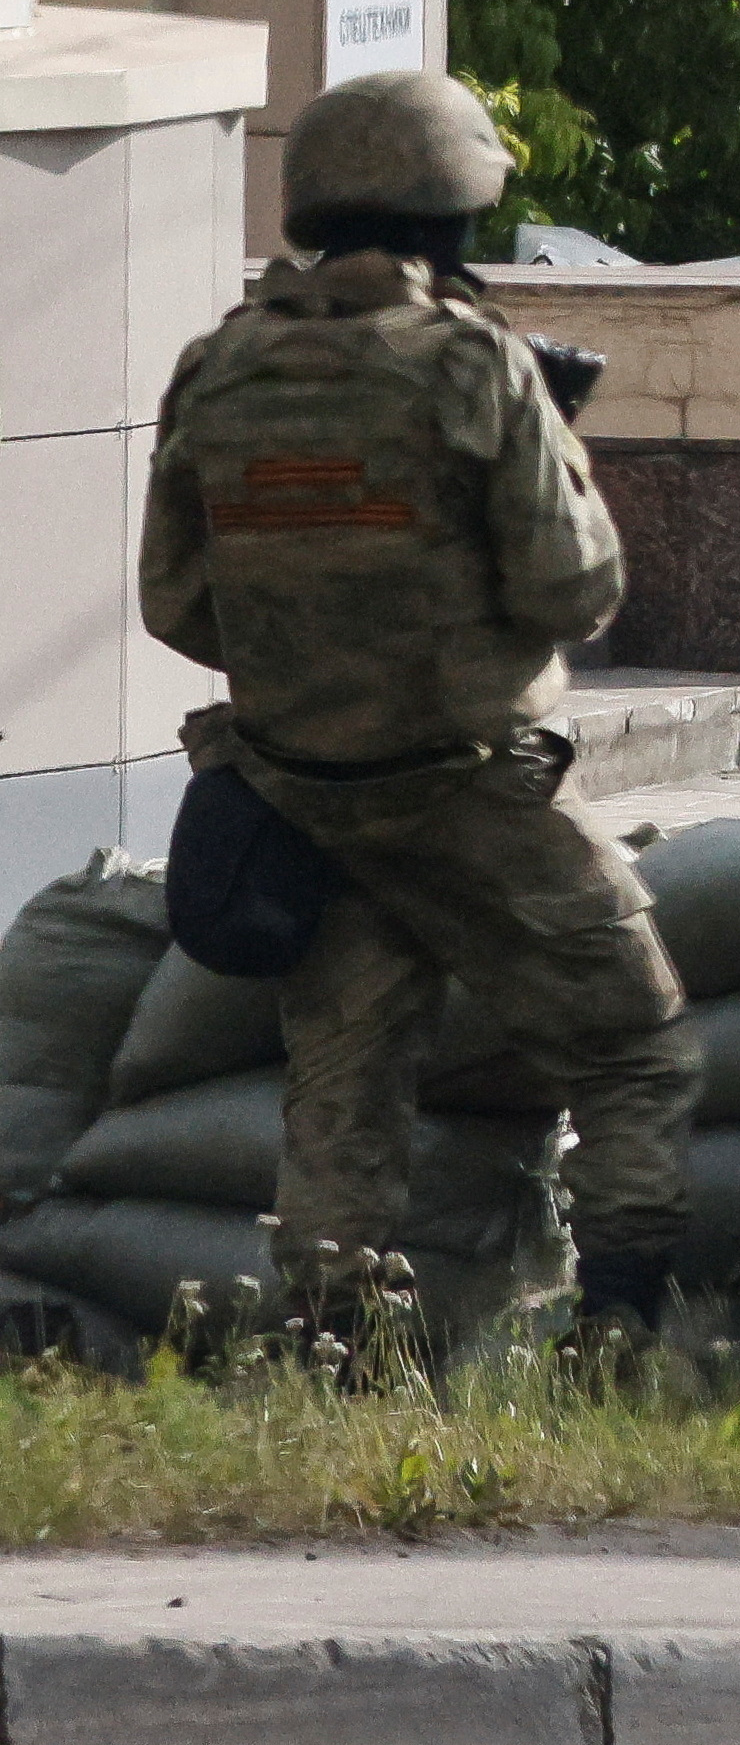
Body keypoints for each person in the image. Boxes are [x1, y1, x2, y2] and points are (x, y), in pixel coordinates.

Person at [139, 71, 700, 1330]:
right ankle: (614, 1329)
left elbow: (174, 604)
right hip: (475, 794)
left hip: (300, 791)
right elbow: (574, 589)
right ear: (459, 210)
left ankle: (330, 1343)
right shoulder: (475, 366)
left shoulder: (216, 369)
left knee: (342, 1081)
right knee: (631, 1044)